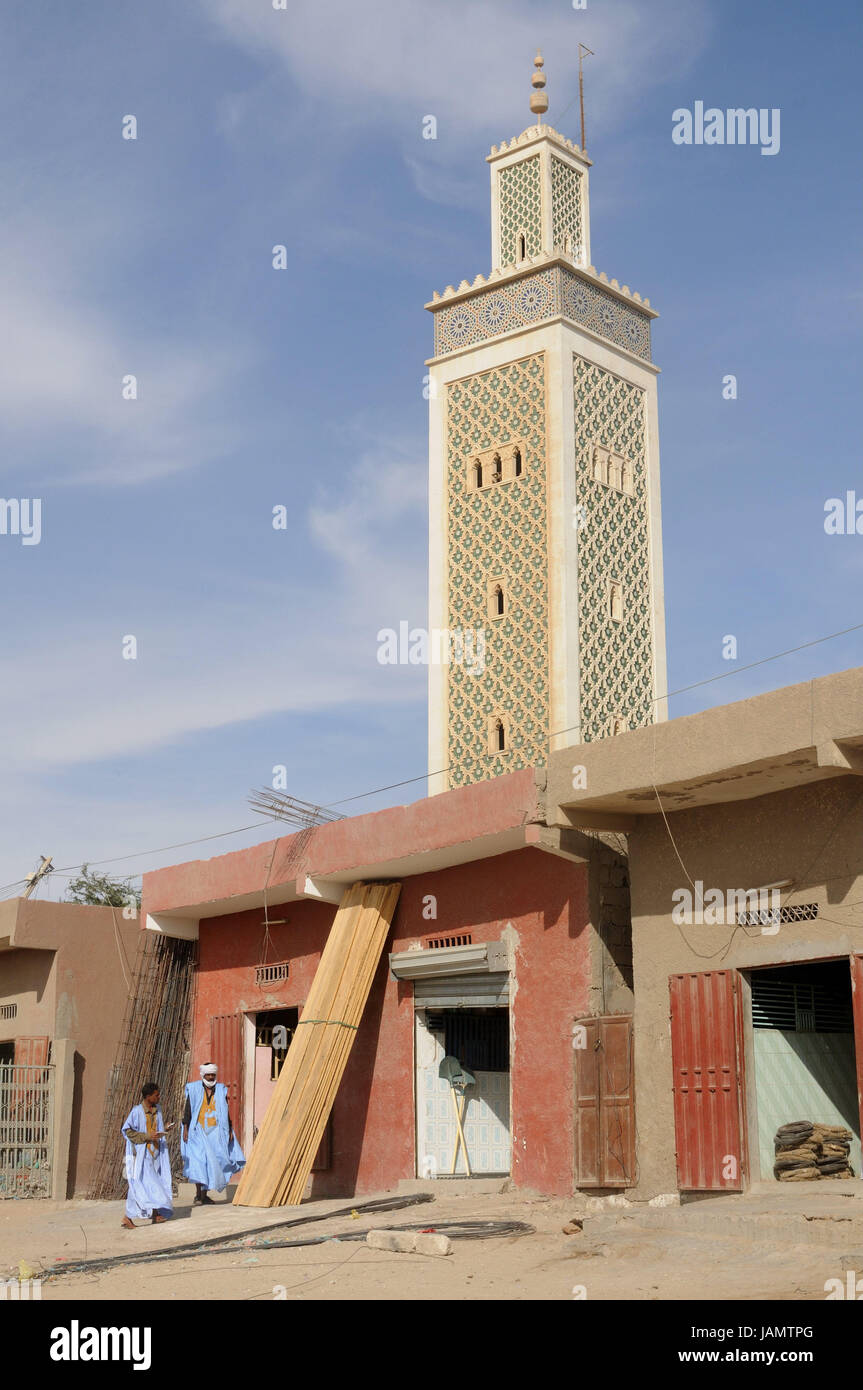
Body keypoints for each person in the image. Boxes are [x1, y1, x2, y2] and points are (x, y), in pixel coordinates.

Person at [180, 1062, 245, 1204]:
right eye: (208, 1075)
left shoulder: (221, 1089)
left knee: (214, 1162)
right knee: (199, 1162)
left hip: (216, 1132)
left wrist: (229, 1129)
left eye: (212, 1075)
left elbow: (225, 1111)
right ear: (203, 1075)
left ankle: (204, 1195)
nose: (210, 1077)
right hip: (197, 1131)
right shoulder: (194, 1089)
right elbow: (188, 1110)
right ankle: (198, 1195)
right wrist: (185, 1128)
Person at [120, 1081, 174, 1229]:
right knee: (141, 1185)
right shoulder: (137, 1112)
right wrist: (146, 1137)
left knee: (154, 1184)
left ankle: (155, 1214)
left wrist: (165, 1128)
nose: (159, 1097)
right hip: (143, 1154)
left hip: (156, 1153)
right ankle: (128, 1216)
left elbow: (157, 1129)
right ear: (148, 1096)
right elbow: (127, 1131)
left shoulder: (158, 1110)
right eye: (156, 1095)